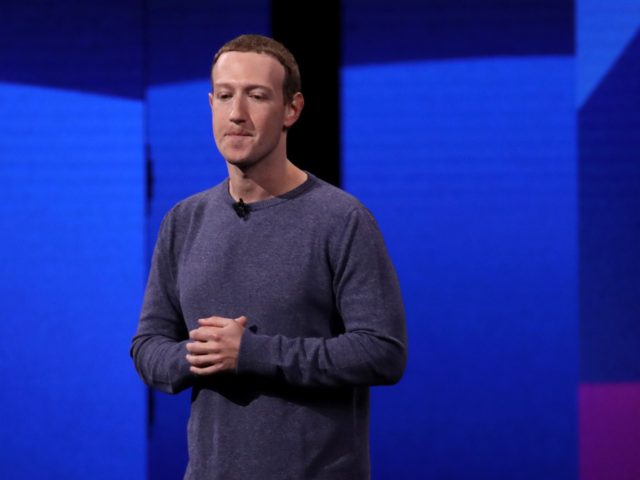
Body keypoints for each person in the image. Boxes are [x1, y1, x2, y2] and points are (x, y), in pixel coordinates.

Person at [130, 33, 407, 480]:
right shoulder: (184, 221)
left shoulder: (341, 220)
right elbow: (148, 347)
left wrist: (252, 354)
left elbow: (382, 351)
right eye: (225, 96)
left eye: (256, 96)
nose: (237, 114)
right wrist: (198, 356)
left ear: (291, 109)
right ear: (211, 104)